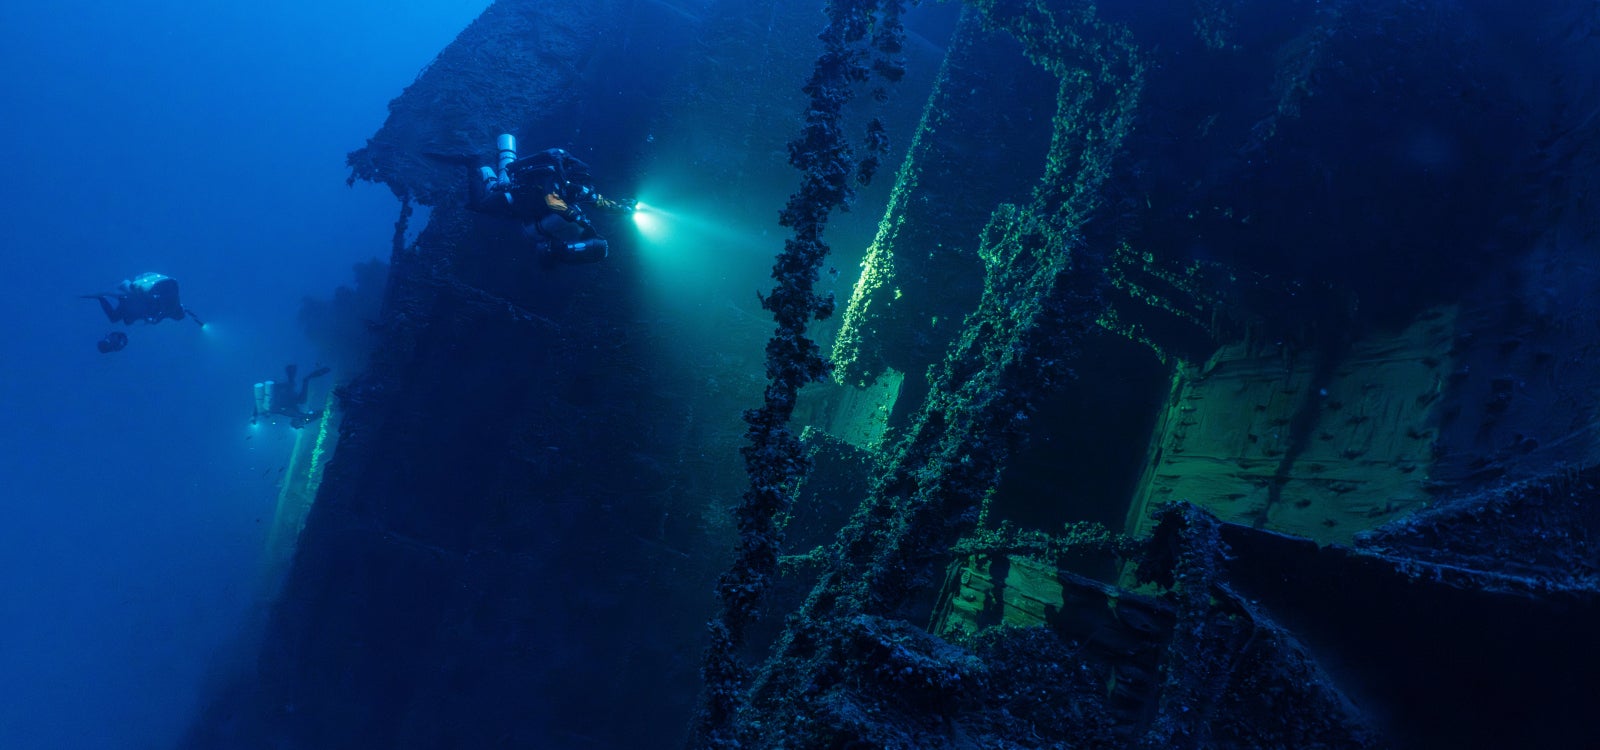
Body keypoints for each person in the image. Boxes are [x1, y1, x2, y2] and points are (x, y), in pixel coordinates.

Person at [470, 133, 636, 263]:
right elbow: (552, 201)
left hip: (530, 208)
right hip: (516, 197)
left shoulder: (575, 187)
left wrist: (621, 208)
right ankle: (473, 164)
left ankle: (486, 171)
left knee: (501, 202)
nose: (581, 187)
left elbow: (598, 200)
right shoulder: (553, 178)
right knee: (480, 205)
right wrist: (576, 216)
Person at [82, 272, 205, 327]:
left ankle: (103, 296)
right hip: (136, 303)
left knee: (116, 317)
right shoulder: (168, 310)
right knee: (115, 317)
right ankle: (102, 297)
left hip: (135, 302)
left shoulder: (172, 306)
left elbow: (156, 316)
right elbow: (154, 319)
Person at [252, 364, 331, 428]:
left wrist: (254, 416)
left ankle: (293, 377)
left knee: (298, 393)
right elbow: (260, 402)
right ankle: (293, 377)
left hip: (287, 399)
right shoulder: (270, 409)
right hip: (290, 400)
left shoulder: (270, 408)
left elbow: (260, 402)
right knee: (300, 397)